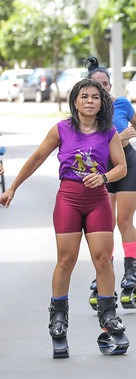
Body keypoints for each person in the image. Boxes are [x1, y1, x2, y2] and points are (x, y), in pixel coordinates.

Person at [0, 78, 128, 355]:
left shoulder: (109, 131)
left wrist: (104, 176)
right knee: (66, 260)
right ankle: (58, 317)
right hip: (68, 199)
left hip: (98, 201)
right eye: (84, 96)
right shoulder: (61, 129)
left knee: (103, 259)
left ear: (101, 102)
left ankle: (108, 315)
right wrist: (12, 187)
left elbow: (121, 167)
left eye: (95, 96)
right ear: (75, 101)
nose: (90, 101)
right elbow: (36, 158)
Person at [86, 58, 136, 308]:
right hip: (102, 171)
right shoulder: (86, 113)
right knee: (105, 224)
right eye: (97, 84)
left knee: (124, 220)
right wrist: (119, 138)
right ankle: (103, 274)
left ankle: (131, 273)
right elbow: (89, 146)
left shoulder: (122, 104)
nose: (102, 88)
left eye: (106, 84)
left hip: (129, 165)